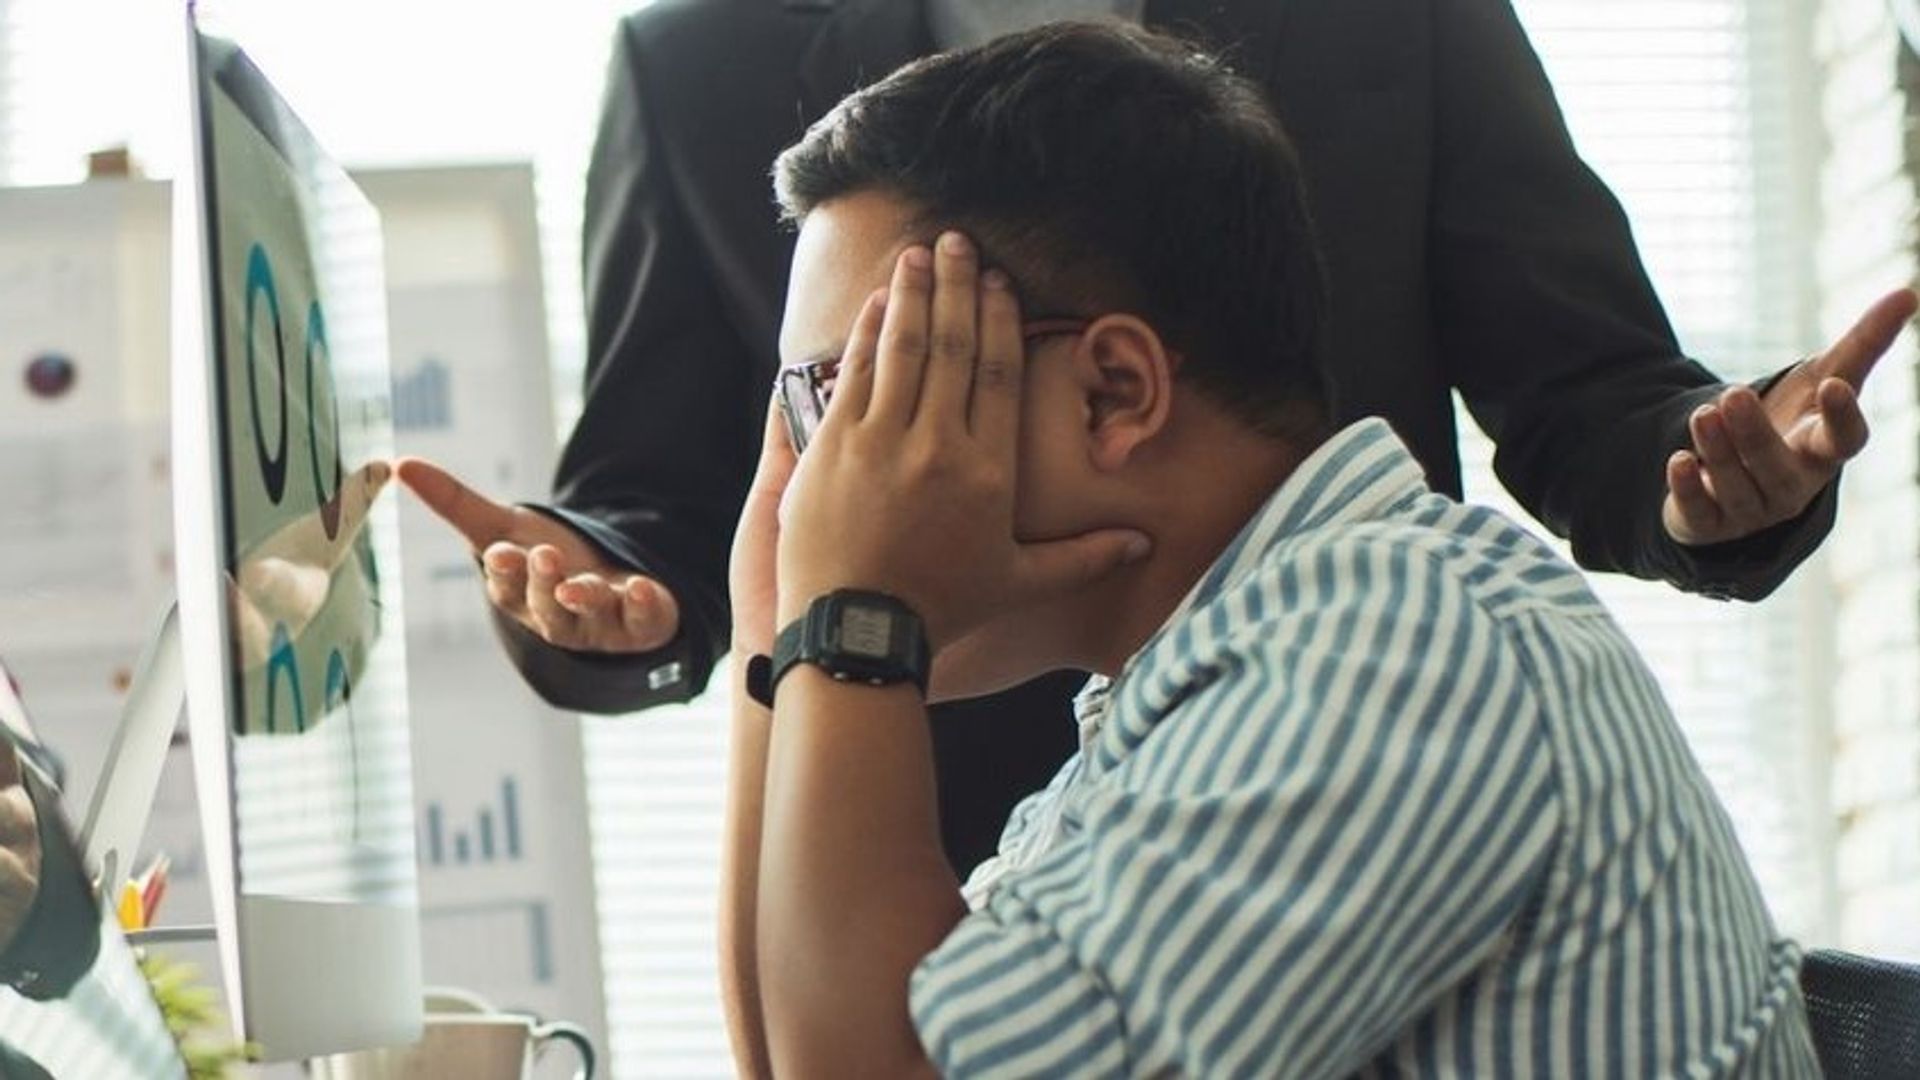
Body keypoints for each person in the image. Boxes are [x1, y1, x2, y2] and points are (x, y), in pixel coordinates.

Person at [397, 0, 1916, 875]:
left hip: (1347, 760)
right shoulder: (700, 61)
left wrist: (1716, 483)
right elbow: (654, 502)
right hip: (935, 806)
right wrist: (628, 603)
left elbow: (1586, 384)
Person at [717, 24, 1822, 1075]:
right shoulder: (1189, 706)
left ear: (1114, 390)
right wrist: (782, 640)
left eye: (858, 392)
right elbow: (795, 1054)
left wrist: (853, 619)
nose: (816, 482)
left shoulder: (1387, 651)